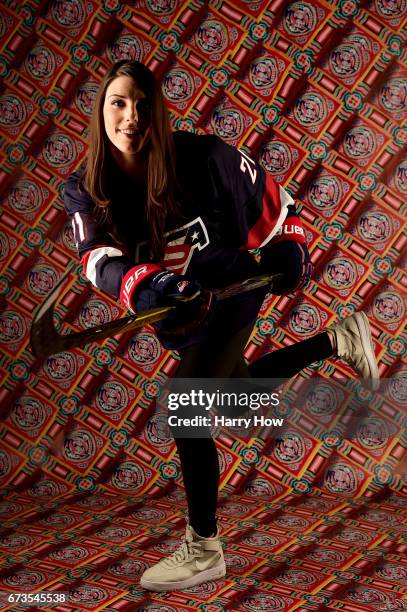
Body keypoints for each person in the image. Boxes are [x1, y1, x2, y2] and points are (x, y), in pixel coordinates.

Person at [64, 60, 379, 592]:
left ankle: (205, 548)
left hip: (231, 294)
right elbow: (97, 258)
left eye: (143, 103)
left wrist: (288, 251)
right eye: (118, 102)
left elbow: (280, 210)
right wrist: (152, 286)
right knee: (239, 397)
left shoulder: (206, 158)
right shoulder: (87, 186)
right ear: (101, 111)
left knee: (184, 407)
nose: (131, 115)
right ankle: (339, 338)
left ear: (159, 111)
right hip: (180, 311)